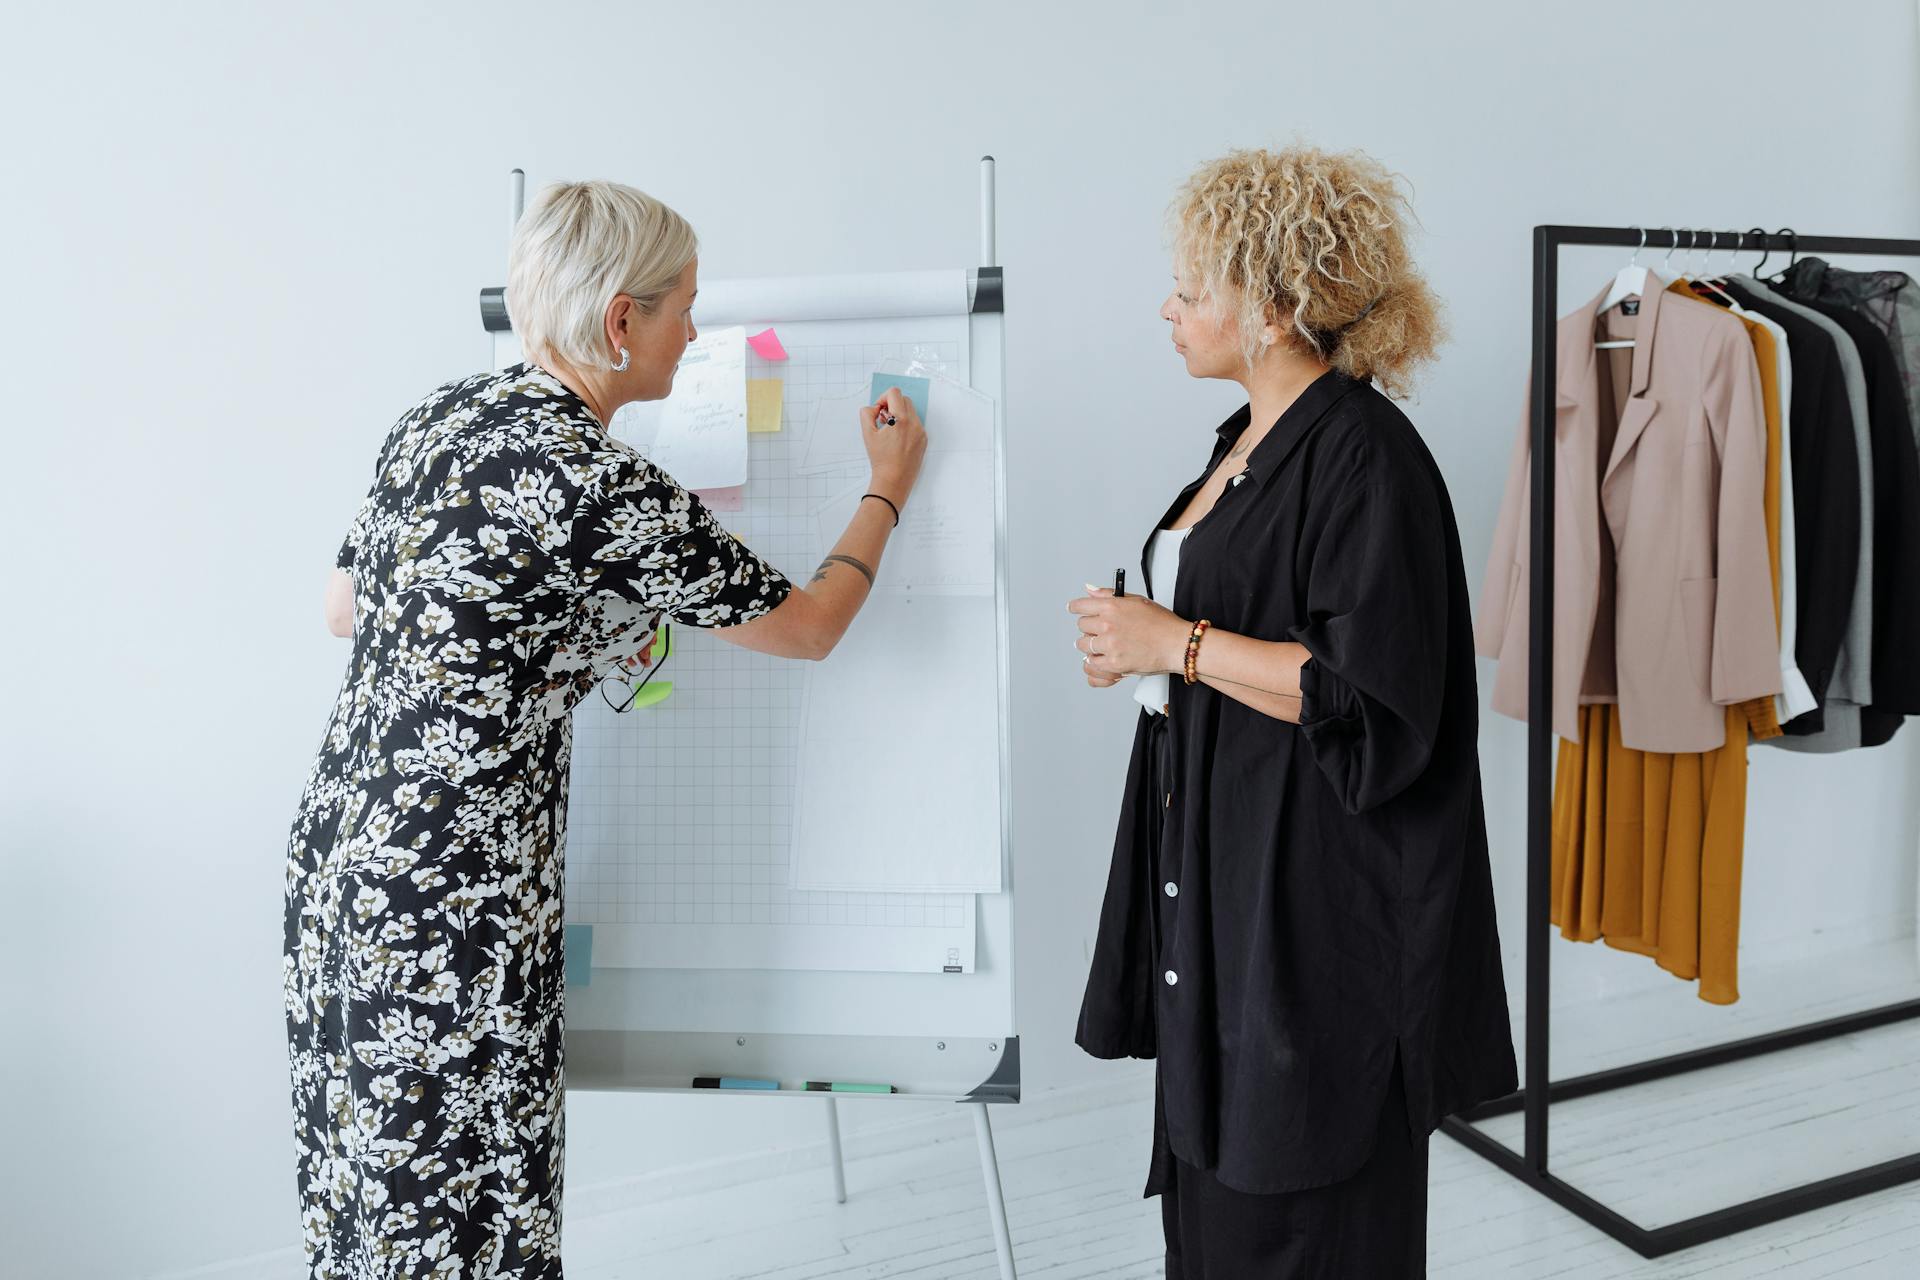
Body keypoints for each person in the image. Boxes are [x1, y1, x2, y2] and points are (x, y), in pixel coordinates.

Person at [285, 179, 926, 1278]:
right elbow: (812, 627)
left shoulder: (433, 418)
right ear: (623, 320)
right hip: (457, 890)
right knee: (475, 1211)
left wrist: (549, 631)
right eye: (685, 304)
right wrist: (888, 485)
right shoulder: (599, 485)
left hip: (342, 854)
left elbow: (343, 608)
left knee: (368, 1199)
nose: (696, 330)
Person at [1070, 145, 1517, 1277]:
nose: (1167, 309)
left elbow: (1375, 695)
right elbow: (1234, 632)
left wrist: (1180, 642)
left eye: (1191, 287)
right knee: (1219, 1196)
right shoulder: (1241, 443)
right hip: (1221, 878)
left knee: (1307, 1201)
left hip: (1318, 898)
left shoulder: (1367, 455)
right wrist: (1146, 652)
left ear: (1271, 305)